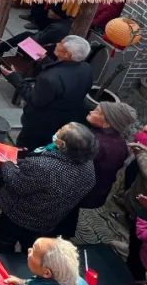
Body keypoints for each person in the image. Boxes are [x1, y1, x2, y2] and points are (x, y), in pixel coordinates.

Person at [0, 123, 97, 253]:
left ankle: (3, 262)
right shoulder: (89, 166)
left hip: (19, 215)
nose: (57, 131)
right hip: (50, 220)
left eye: (60, 131)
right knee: (32, 248)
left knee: (3, 240)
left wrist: (6, 164)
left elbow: (16, 183)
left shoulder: (43, 166)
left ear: (62, 144)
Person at [57, 101, 136, 237]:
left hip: (79, 191)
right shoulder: (120, 143)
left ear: (107, 124)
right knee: (70, 213)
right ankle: (67, 232)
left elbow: (71, 166)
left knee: (63, 213)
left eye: (97, 112)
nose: (91, 111)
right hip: (94, 192)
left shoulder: (94, 144)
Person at [1, 35, 94, 150]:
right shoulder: (86, 69)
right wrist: (45, 60)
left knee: (26, 149)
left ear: (67, 55)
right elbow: (65, 76)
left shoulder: (50, 79)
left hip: (39, 124)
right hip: (63, 120)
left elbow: (34, 99)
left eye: (61, 44)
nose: (57, 44)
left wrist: (14, 77)